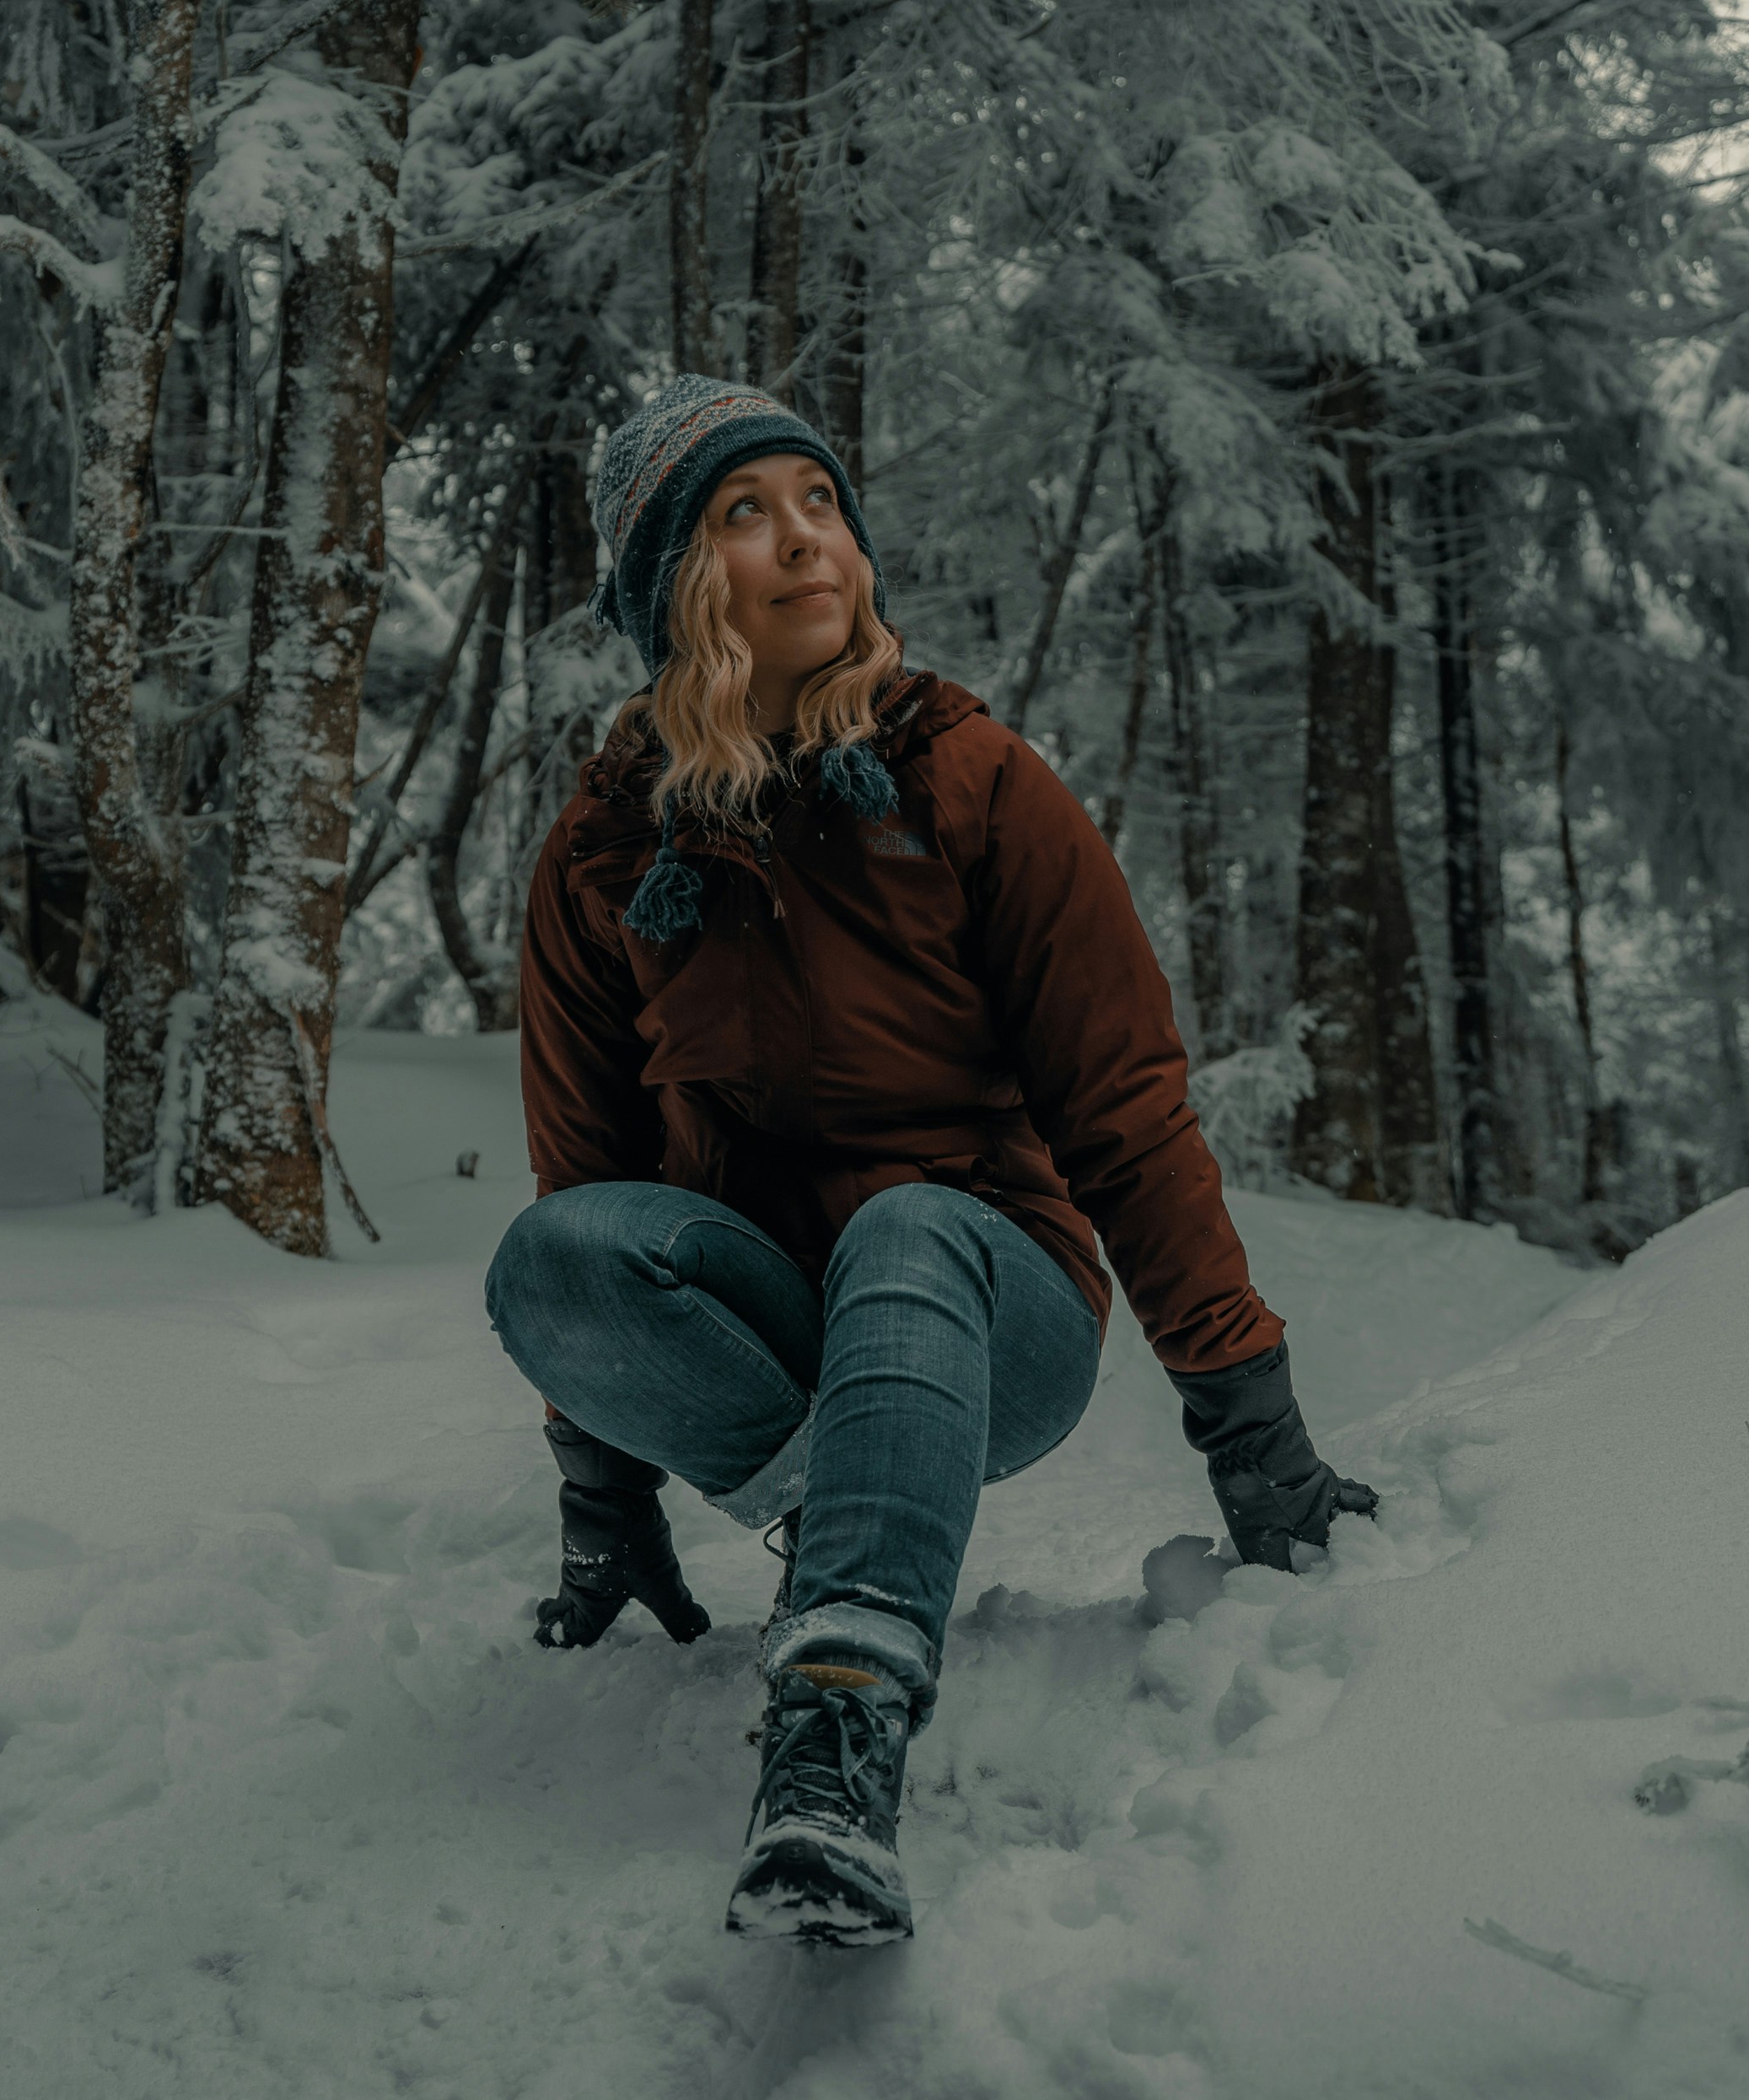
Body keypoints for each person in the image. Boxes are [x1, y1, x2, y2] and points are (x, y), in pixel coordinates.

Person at [483, 374, 1377, 1948]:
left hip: (991, 1301)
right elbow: (587, 1166)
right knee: (553, 1255)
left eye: (820, 502)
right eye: (746, 514)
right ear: (674, 584)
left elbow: (1125, 1108)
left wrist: (1252, 1429)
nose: (806, 542)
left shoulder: (973, 780)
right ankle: (859, 1511)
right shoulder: (607, 850)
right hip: (775, 1322)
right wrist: (602, 1490)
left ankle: (835, 1742)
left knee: (909, 1224)